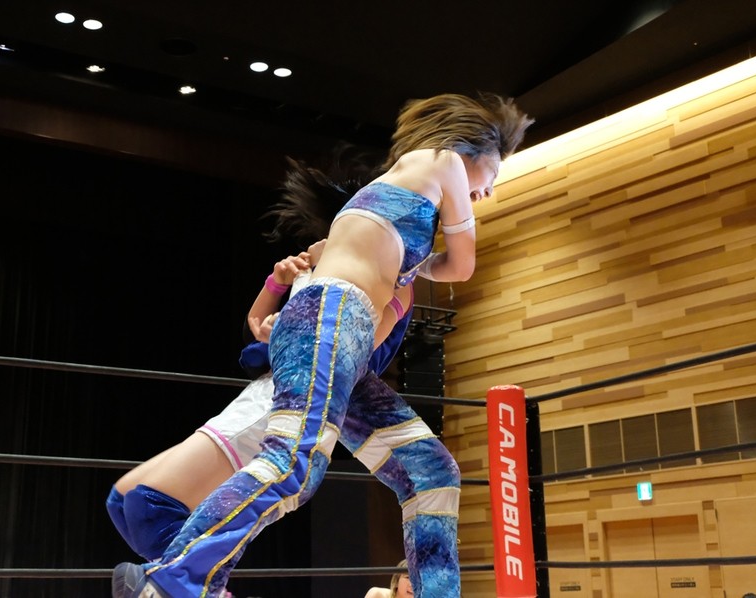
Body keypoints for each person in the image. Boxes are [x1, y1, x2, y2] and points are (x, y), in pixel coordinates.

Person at [113, 92, 533, 598]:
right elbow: (461, 267)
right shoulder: (440, 161)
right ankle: (173, 580)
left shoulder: (401, 204)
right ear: (474, 147)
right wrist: (435, 246)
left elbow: (429, 271)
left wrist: (411, 263)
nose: (488, 190)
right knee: (294, 462)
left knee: (431, 471)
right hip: (331, 319)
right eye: (493, 174)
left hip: (345, 344)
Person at [106, 242, 415, 564]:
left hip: (295, 398)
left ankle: (190, 581)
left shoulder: (392, 279)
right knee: (123, 500)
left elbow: (352, 352)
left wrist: (286, 331)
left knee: (150, 507)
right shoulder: (331, 252)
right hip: (268, 389)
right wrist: (277, 283)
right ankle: (189, 578)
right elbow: (255, 329)